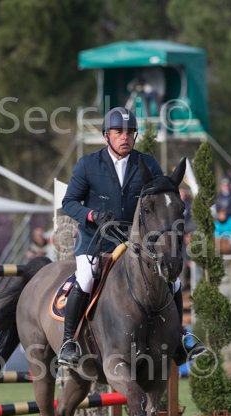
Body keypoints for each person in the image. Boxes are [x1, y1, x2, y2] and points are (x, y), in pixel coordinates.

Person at [58, 106, 206, 367]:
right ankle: (69, 341)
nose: (124, 137)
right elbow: (69, 202)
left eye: (129, 132)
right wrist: (92, 215)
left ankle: (181, 337)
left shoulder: (147, 164)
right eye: (118, 132)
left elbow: (161, 199)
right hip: (97, 240)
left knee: (172, 280)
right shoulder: (88, 165)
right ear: (106, 135)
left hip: (135, 242)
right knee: (86, 276)